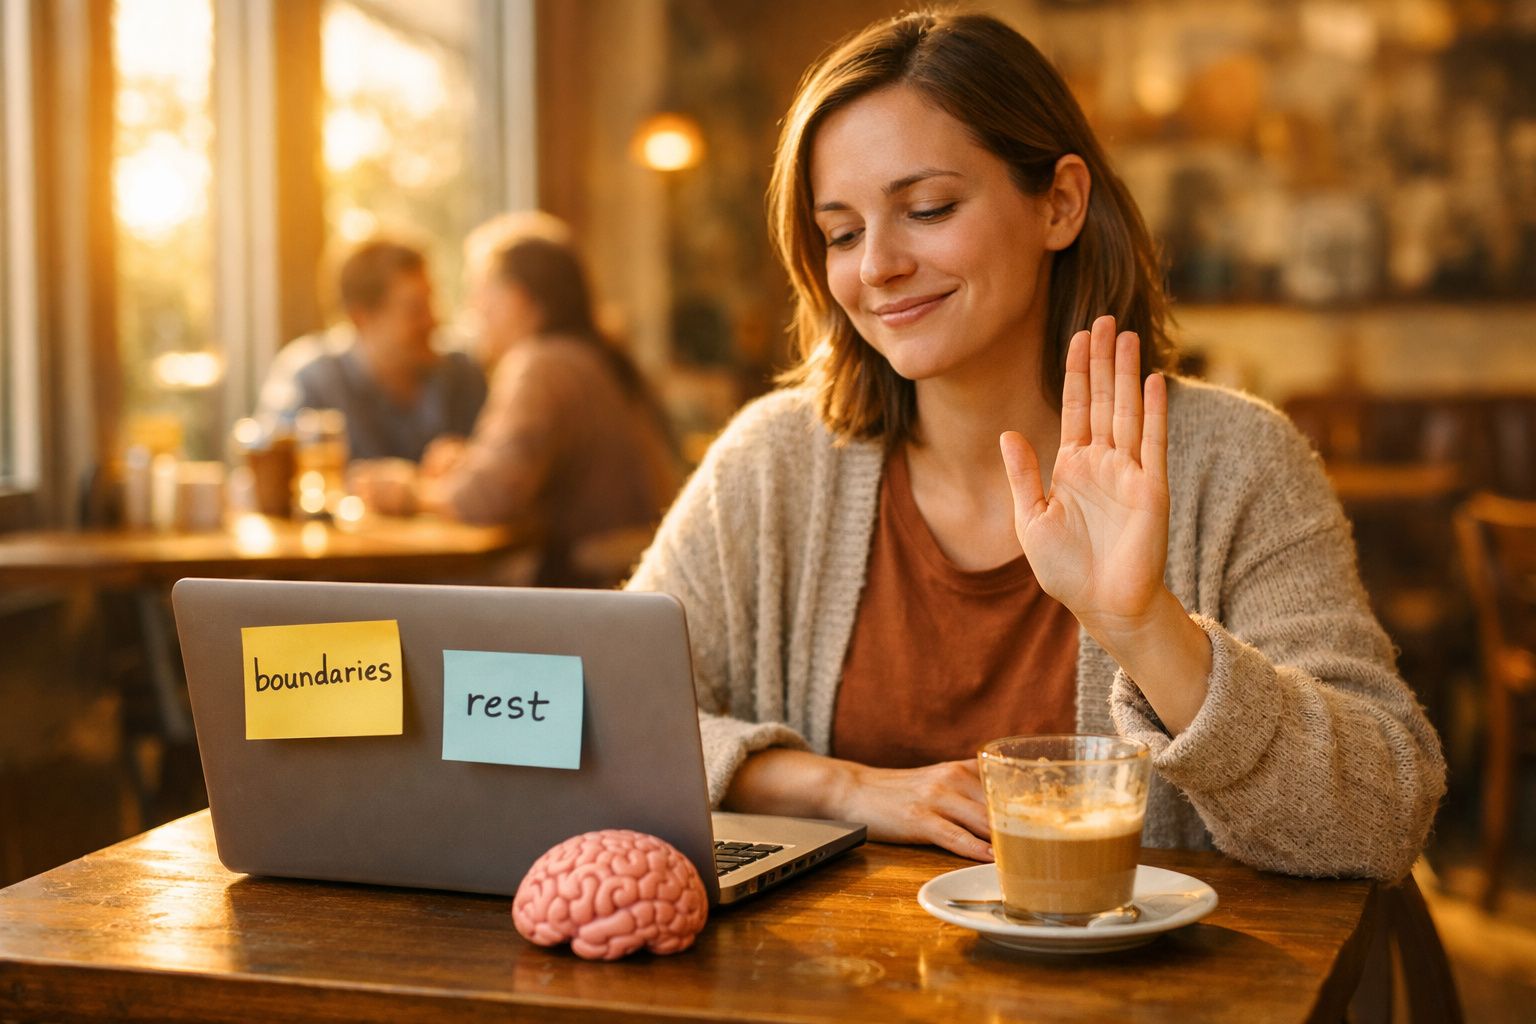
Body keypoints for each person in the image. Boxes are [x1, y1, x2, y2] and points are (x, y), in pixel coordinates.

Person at [626, 11, 1445, 880]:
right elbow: (604, 717)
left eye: (929, 208)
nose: (876, 268)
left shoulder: (1235, 464)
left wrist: (1145, 629)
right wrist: (847, 789)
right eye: (842, 233)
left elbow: (1384, 819)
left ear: (1059, 203)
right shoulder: (772, 466)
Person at [417, 215, 682, 588]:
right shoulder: (597, 355)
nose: (474, 307)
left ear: (519, 298)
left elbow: (484, 500)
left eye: (481, 290)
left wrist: (403, 492)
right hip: (640, 581)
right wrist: (469, 464)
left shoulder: (541, 365)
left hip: (592, 591)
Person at [256, 237, 487, 462]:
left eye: (431, 302)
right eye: (415, 310)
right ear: (361, 318)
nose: (433, 320)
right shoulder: (311, 380)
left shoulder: (464, 376)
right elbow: (274, 471)